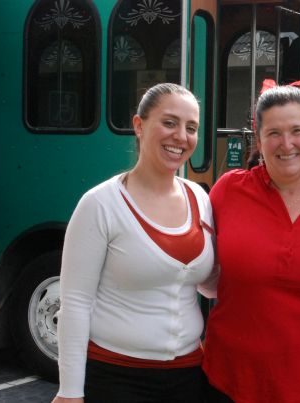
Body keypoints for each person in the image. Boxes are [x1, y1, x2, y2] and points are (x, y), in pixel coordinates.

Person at [53, 83, 216, 403]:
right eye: (169, 123)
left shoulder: (200, 198)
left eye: (191, 127)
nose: (181, 136)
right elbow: (75, 303)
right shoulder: (100, 204)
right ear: (139, 125)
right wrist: (69, 391)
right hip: (116, 376)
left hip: (188, 375)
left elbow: (206, 285)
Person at [202, 81, 300, 403]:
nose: (286, 143)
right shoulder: (228, 191)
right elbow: (201, 268)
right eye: (273, 133)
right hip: (231, 384)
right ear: (259, 140)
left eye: (297, 131)